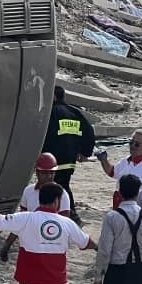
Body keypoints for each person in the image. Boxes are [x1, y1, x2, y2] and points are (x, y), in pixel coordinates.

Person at [0, 152, 72, 261]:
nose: (49, 176)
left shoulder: (62, 194)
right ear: (36, 172)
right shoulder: (28, 192)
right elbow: (21, 221)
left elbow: (65, 226)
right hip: (30, 245)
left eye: (52, 172)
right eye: (45, 173)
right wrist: (8, 244)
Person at [43, 86, 95, 226]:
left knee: (59, 185)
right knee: (63, 183)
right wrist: (85, 152)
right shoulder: (75, 112)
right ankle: (66, 215)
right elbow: (89, 132)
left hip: (54, 158)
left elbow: (45, 135)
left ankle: (71, 216)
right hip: (70, 159)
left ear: (54, 97)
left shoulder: (52, 113)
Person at [96, 129, 142, 210]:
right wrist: (104, 160)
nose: (133, 146)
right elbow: (112, 172)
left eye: (137, 144)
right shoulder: (126, 160)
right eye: (131, 142)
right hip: (118, 206)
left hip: (135, 210)